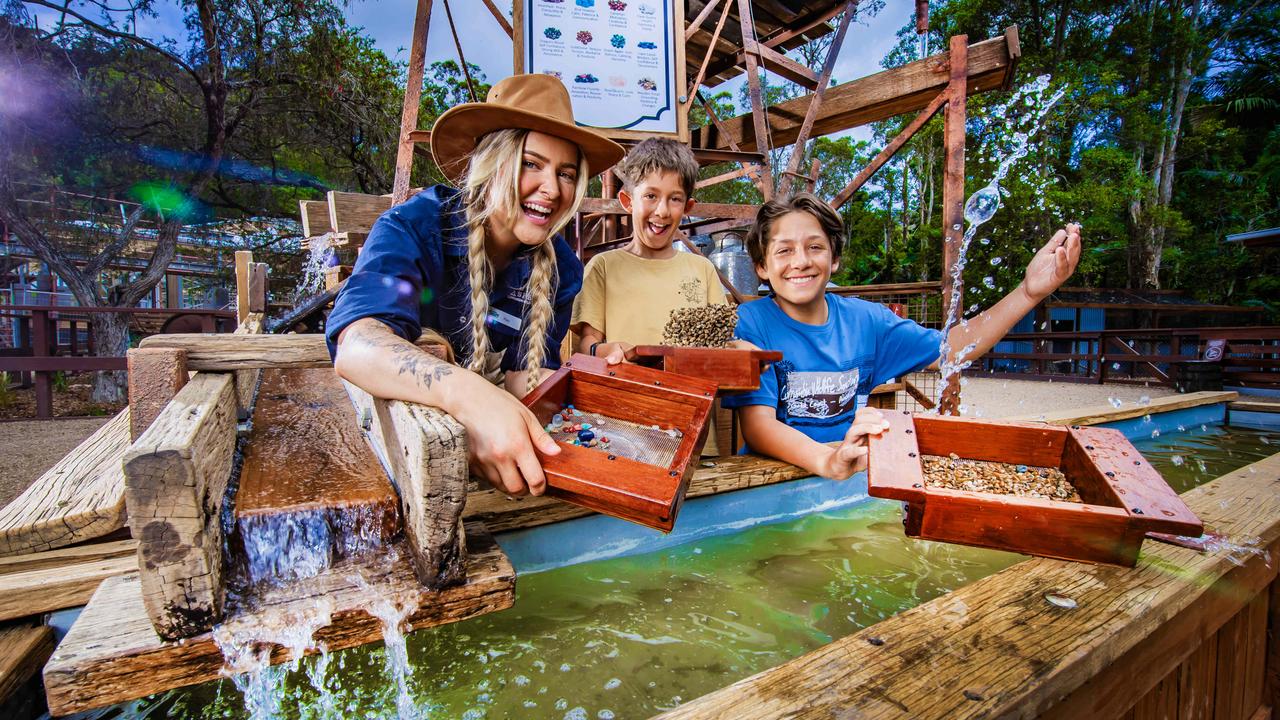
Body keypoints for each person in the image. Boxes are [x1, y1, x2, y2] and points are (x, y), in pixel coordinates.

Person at [327, 74, 624, 498]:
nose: (552, 189)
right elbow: (357, 345)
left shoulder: (563, 268)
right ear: (491, 162)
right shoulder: (413, 227)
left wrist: (597, 419)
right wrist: (468, 394)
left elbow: (527, 381)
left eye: (567, 173)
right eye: (531, 163)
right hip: (396, 443)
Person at [722, 193, 1082, 480]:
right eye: (784, 250)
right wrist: (827, 460)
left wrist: (1028, 293)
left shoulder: (868, 321)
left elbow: (951, 350)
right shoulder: (752, 323)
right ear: (762, 267)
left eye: (814, 247)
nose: (800, 261)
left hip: (850, 473)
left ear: (834, 259)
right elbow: (758, 427)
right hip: (773, 480)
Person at [570, 138, 731, 453]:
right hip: (623, 432)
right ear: (628, 201)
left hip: (693, 429)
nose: (661, 211)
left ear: (688, 207)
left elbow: (721, 346)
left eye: (674, 199)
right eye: (651, 196)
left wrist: (742, 353)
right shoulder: (604, 267)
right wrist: (606, 350)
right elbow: (586, 344)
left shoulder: (702, 270)